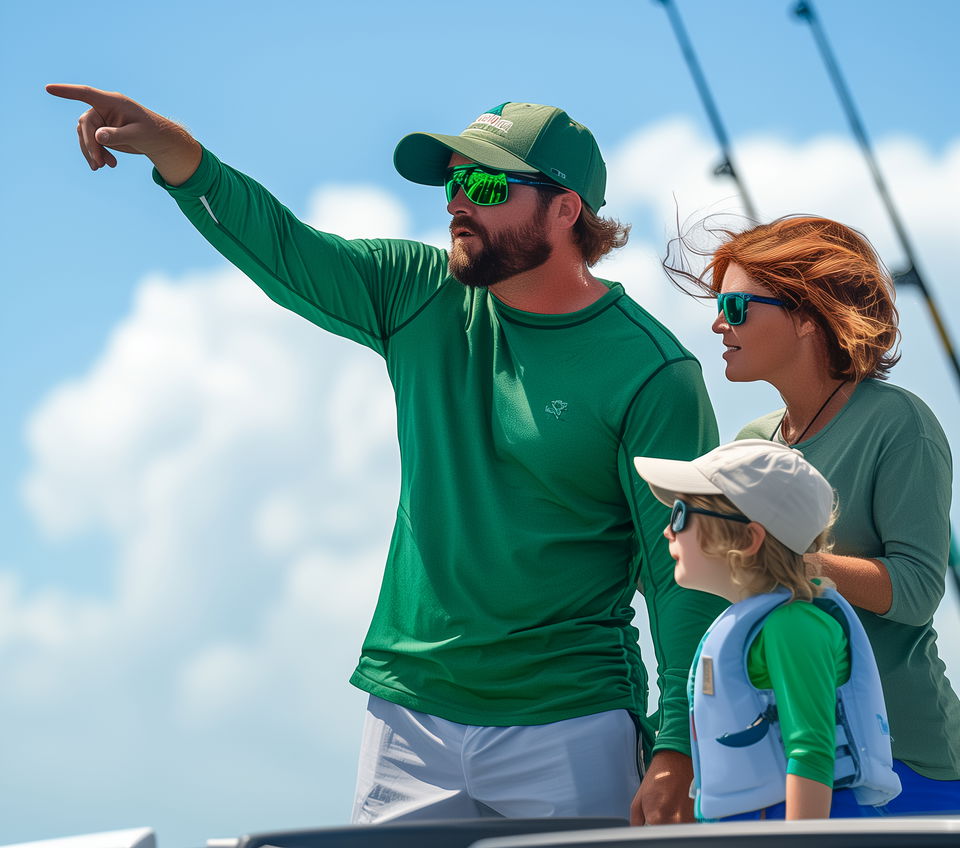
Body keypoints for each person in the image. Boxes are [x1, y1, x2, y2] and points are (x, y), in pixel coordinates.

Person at [47, 86, 722, 824]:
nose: (458, 201)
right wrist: (180, 153)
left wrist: (677, 747)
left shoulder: (653, 372)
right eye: (453, 181)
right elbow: (286, 249)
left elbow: (682, 579)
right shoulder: (416, 291)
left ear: (566, 211)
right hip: (407, 717)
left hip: (571, 720)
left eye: (487, 183)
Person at [667, 215, 960, 814]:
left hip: (906, 764)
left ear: (807, 316)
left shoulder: (900, 424)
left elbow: (918, 589)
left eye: (736, 305)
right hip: (780, 761)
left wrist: (787, 562)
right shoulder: (751, 440)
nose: (718, 322)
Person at [633, 439, 901, 820]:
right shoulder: (753, 624)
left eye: (681, 514)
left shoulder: (795, 625)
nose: (667, 532)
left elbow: (811, 751)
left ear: (747, 539)